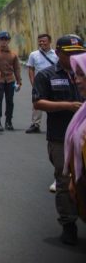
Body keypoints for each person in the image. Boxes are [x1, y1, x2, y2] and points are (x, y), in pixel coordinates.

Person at [32, 34, 85, 246]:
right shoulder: (46, 75)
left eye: (79, 53)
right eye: (70, 54)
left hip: (84, 138)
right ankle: (68, 224)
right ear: (58, 53)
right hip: (60, 138)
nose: (75, 57)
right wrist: (68, 106)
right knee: (64, 182)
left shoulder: (83, 73)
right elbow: (38, 102)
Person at [65, 52, 86, 221]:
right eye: (76, 75)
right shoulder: (83, 111)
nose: (77, 80)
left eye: (82, 74)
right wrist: (74, 178)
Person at [0, 31, 22, 131]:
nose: (4, 41)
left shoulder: (13, 54)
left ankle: (8, 122)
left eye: (6, 39)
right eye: (2, 39)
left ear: (9, 41)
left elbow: (17, 68)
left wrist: (19, 81)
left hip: (10, 80)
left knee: (10, 101)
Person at [25, 33, 58, 134]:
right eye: (40, 41)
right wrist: (33, 82)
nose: (42, 43)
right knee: (37, 103)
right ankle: (35, 124)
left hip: (54, 82)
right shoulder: (33, 54)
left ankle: (56, 124)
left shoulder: (56, 54)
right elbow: (31, 69)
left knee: (54, 103)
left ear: (50, 42)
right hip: (39, 83)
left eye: (44, 41)